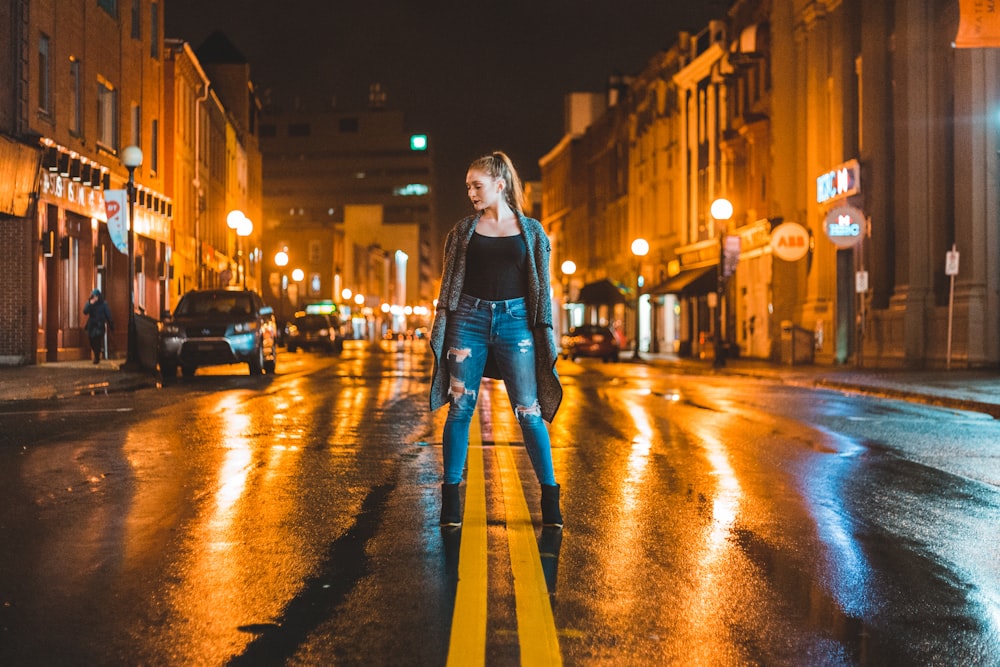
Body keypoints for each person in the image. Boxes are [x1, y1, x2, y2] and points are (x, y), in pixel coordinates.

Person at [429, 151, 564, 528]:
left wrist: (545, 330)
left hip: (516, 322)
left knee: (528, 410)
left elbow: (541, 287)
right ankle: (451, 501)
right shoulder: (461, 232)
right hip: (467, 322)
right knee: (460, 408)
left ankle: (550, 499)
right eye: (468, 186)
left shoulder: (532, 231)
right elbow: (449, 282)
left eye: (477, 185)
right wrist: (441, 318)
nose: (471, 192)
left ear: (500, 185)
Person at [83, 289, 113, 364]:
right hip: (91, 325)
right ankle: (96, 354)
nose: (95, 298)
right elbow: (85, 311)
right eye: (94, 296)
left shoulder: (103, 304)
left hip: (99, 325)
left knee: (97, 341)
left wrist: (111, 324)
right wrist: (90, 303)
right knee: (92, 341)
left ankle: (97, 357)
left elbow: (108, 314)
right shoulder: (90, 303)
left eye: (96, 296)